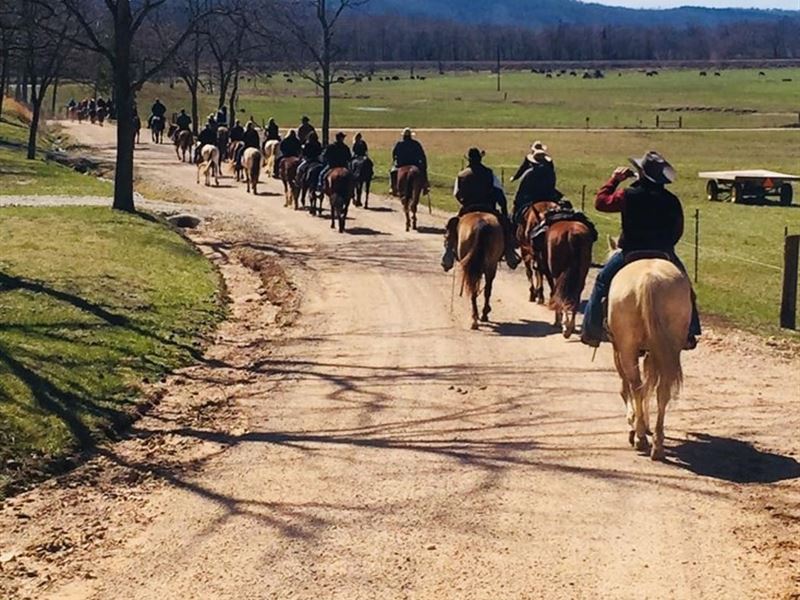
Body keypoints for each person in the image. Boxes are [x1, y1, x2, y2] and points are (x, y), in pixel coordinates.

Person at [580, 151, 701, 350]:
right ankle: (690, 331)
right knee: (685, 288)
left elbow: (601, 202)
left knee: (602, 281)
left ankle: (592, 331)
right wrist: (665, 246)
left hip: (630, 252)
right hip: (664, 253)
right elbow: (678, 230)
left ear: (642, 174)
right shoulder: (671, 200)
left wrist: (614, 180)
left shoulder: (628, 195)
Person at [441, 148, 519, 272]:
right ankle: (510, 252)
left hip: (468, 208)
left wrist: (464, 202)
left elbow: (456, 193)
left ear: (469, 160)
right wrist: (503, 211)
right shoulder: (489, 173)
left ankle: (448, 254)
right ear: (480, 159)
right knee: (505, 227)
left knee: (451, 226)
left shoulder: (461, 175)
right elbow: (499, 193)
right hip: (488, 208)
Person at [511, 143, 561, 225]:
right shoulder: (550, 172)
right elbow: (552, 184)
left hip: (531, 198)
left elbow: (522, 188)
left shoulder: (529, 173)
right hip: (549, 196)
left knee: (516, 212)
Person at [391, 128, 428, 196]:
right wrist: (424, 165)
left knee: (393, 172)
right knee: (423, 172)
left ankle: (393, 187)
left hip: (401, 164)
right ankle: (425, 186)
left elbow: (394, 154)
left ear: (403, 136)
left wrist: (395, 161)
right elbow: (422, 155)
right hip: (415, 164)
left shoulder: (399, 144)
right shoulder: (416, 144)